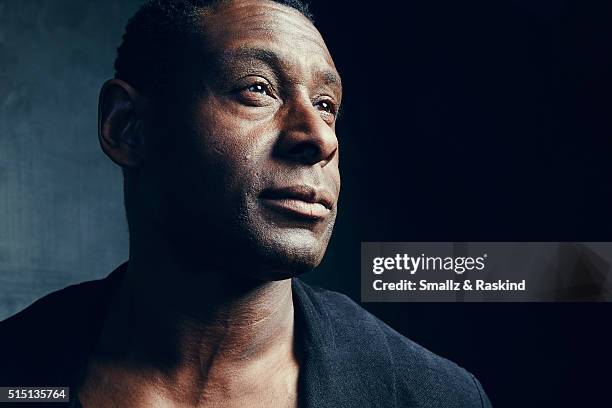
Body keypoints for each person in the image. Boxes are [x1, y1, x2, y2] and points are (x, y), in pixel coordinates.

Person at [0, 0, 492, 406]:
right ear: (127, 126)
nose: (319, 137)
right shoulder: (16, 374)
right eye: (257, 89)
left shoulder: (433, 396)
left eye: (326, 105)